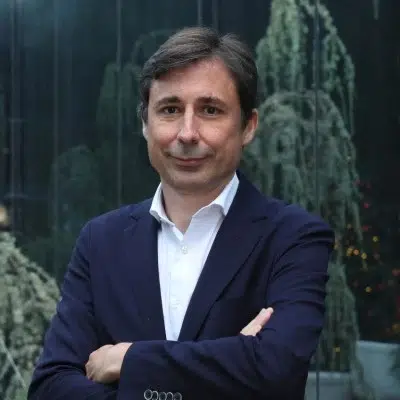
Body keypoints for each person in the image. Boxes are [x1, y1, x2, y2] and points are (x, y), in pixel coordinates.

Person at [28, 27, 334, 400]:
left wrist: (130, 360)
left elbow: (276, 369)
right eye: (170, 110)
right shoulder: (100, 242)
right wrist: (230, 364)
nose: (187, 133)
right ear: (145, 124)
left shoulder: (293, 238)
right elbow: (51, 387)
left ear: (248, 126)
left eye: (210, 110)